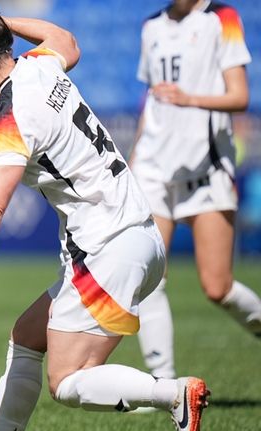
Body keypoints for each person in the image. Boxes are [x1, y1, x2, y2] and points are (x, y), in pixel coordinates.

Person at [0, 1, 209, 430]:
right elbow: (67, 41)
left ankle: (173, 394)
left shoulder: (13, 115)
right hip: (138, 234)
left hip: (107, 248)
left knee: (67, 382)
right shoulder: (39, 67)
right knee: (26, 337)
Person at [131, 0, 261, 381]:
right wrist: (133, 160)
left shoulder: (222, 19)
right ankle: (165, 386)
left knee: (217, 287)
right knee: (150, 277)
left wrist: (190, 99)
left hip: (205, 167)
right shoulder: (150, 26)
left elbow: (240, 97)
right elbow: (150, 102)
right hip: (153, 167)